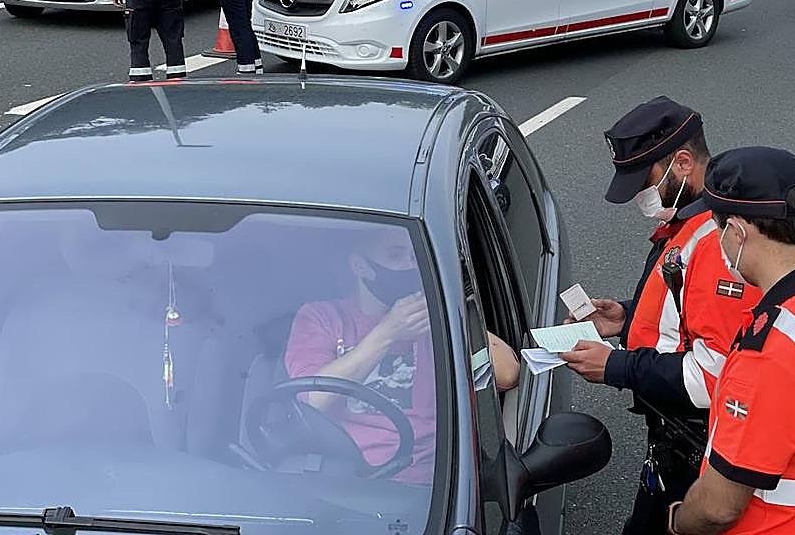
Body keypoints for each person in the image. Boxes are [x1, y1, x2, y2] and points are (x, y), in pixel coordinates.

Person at [559, 97, 761, 535]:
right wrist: (626, 318)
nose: (639, 194)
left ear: (683, 162)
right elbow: (690, 311)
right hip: (674, 436)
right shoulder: (695, 220)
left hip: (700, 442)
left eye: (644, 179)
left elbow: (714, 375)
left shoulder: (717, 241)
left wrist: (616, 366)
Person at [667, 147, 795, 535]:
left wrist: (678, 523)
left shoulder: (771, 353)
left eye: (718, 229)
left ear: (738, 232)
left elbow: (718, 506)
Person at [285, 233, 518, 483]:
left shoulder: (433, 318)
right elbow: (313, 399)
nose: (409, 266)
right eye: (395, 256)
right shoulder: (323, 318)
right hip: (342, 476)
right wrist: (388, 332)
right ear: (360, 266)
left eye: (413, 256)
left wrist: (452, 312)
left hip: (430, 483)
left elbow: (507, 374)